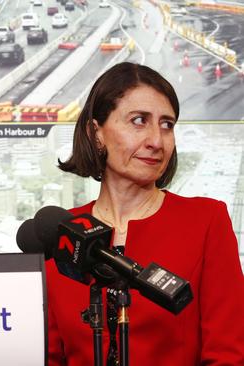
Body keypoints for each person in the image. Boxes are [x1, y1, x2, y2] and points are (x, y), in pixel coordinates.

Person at [48, 62, 244, 365]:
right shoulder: (61, 231)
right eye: (139, 121)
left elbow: (228, 355)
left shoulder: (206, 221)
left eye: (167, 125)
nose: (156, 140)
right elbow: (51, 356)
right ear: (95, 132)